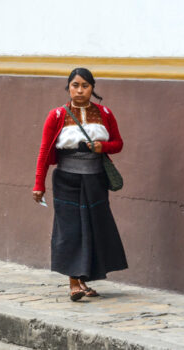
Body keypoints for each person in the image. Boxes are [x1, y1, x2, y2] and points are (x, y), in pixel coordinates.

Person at [32, 68, 128, 301]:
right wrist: (39, 183)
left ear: (92, 88)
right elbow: (45, 150)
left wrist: (100, 147)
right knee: (70, 228)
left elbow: (118, 144)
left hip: (96, 180)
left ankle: (84, 279)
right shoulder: (56, 115)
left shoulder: (105, 113)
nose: (80, 90)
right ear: (68, 88)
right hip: (67, 180)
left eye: (85, 85)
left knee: (93, 227)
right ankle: (73, 281)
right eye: (75, 85)